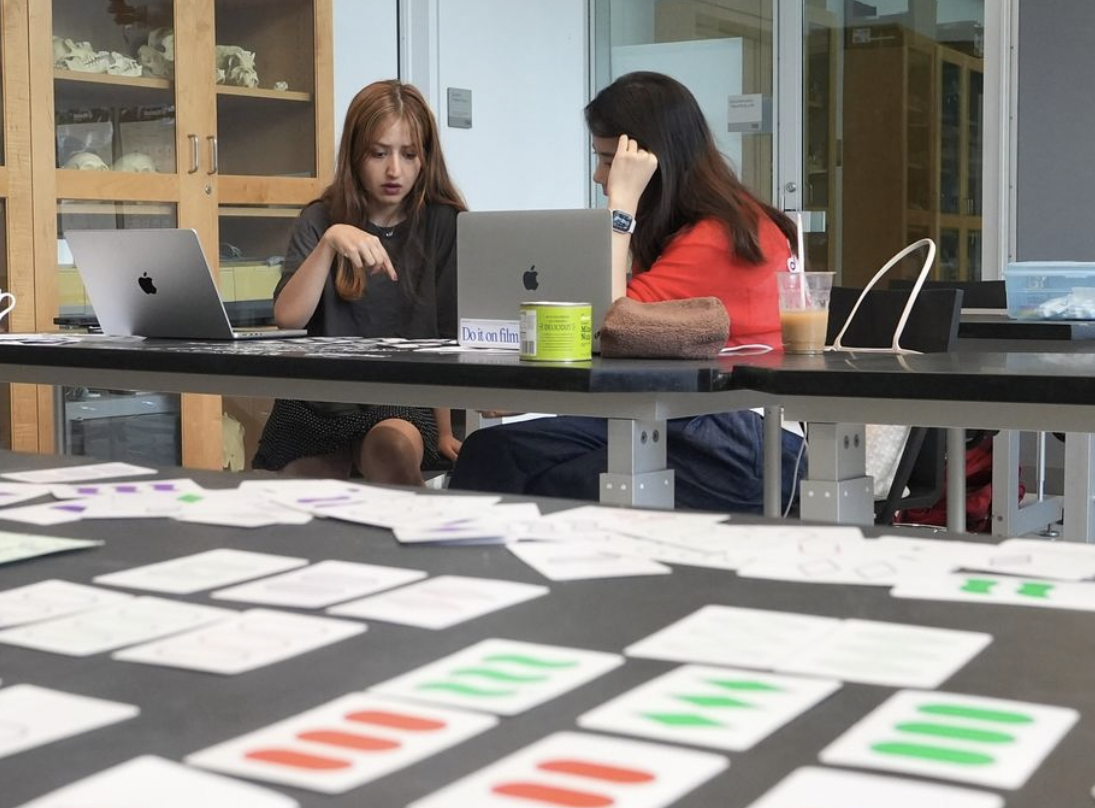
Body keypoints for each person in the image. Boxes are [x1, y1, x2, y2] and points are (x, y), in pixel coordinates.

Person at [448, 71, 806, 513]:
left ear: (651, 161)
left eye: (608, 162)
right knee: (491, 453)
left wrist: (621, 207)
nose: (600, 175)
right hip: (673, 414)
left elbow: (612, 326)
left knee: (565, 487)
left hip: (743, 439)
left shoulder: (719, 237)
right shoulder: (695, 225)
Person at [252, 80, 466, 485]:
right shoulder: (319, 219)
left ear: (426, 159)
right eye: (378, 153)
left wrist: (445, 431)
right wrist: (330, 242)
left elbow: (449, 334)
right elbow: (288, 318)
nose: (394, 171)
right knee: (283, 491)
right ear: (354, 154)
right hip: (317, 399)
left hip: (402, 396)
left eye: (409, 155)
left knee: (390, 455)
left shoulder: (443, 222)